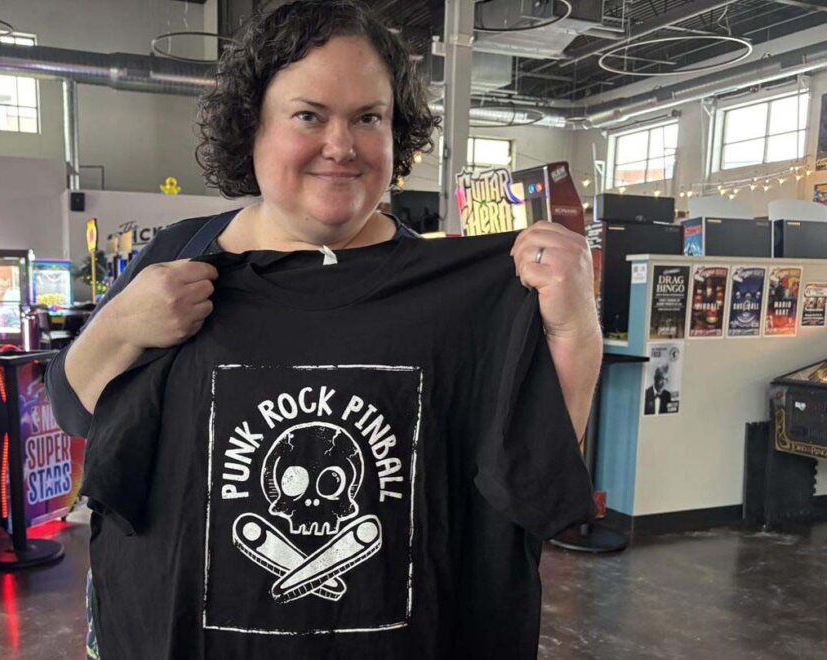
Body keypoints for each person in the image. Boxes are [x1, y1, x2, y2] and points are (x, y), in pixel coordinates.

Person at [46, 1, 601, 657]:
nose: (341, 146)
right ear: (253, 125)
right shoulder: (179, 256)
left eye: (368, 117)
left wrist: (575, 327)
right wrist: (120, 325)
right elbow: (77, 411)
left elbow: (535, 471)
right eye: (309, 115)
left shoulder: (460, 297)